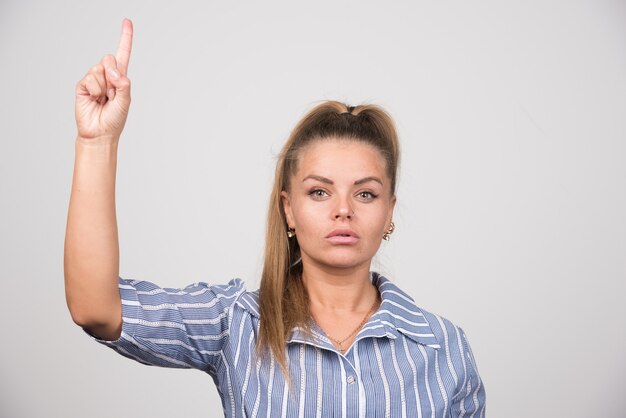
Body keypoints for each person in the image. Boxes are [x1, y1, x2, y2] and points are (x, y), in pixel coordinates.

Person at [64, 18, 486, 417]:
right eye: (319, 191)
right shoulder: (236, 322)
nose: (344, 209)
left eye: (366, 193)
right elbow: (96, 308)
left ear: (389, 211)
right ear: (288, 208)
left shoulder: (443, 348)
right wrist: (97, 142)